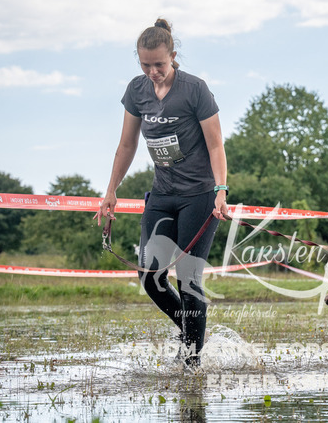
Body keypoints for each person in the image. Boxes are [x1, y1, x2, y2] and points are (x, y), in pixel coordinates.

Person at [94, 18, 228, 367]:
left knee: (188, 279)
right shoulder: (136, 91)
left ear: (173, 57)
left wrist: (221, 190)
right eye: (145, 65)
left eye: (159, 65)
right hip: (162, 194)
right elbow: (127, 144)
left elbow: (216, 145)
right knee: (150, 277)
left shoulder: (195, 89)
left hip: (199, 195)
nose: (153, 72)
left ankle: (192, 364)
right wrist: (111, 191)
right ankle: (191, 331)